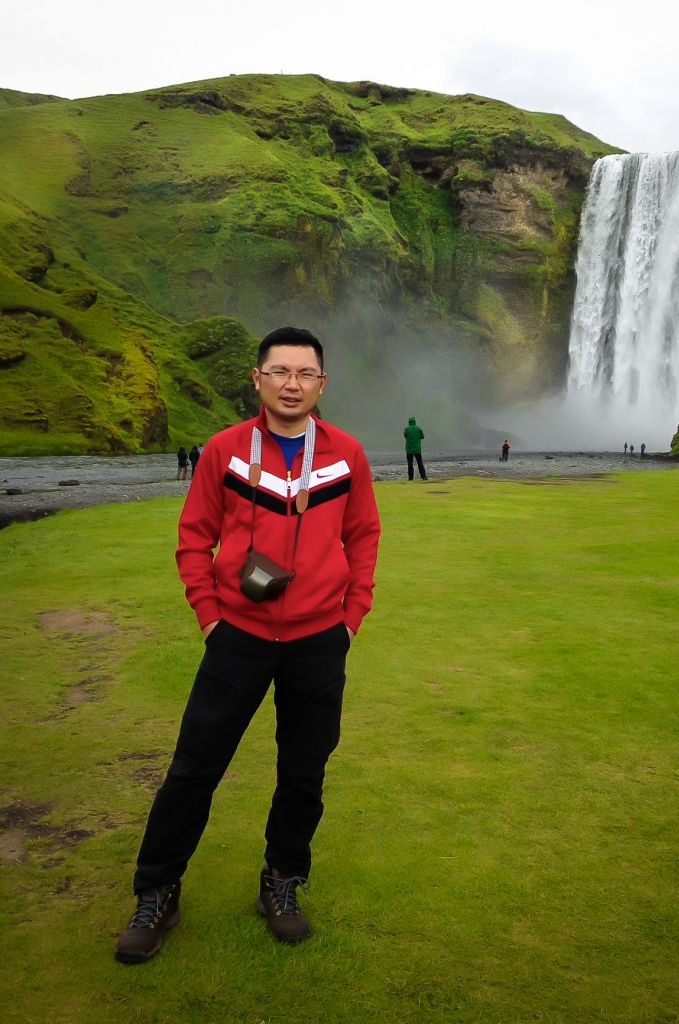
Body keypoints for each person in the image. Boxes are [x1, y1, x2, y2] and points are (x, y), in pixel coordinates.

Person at [115, 326, 381, 964]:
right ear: (256, 378)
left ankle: (282, 881)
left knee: (304, 772)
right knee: (194, 767)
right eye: (280, 371)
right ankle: (157, 891)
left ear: (322, 384)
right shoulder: (226, 451)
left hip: (318, 640)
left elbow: (364, 536)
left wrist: (350, 619)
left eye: (305, 373)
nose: (292, 384)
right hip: (238, 636)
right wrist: (210, 617)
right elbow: (193, 537)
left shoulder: (346, 454)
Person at [403, 416, 427, 480]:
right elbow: (423, 436)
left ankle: (411, 478)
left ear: (409, 422)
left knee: (410, 464)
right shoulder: (418, 429)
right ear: (415, 422)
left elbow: (405, 436)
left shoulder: (406, 429)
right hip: (417, 449)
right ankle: (423, 476)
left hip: (409, 449)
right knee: (420, 463)